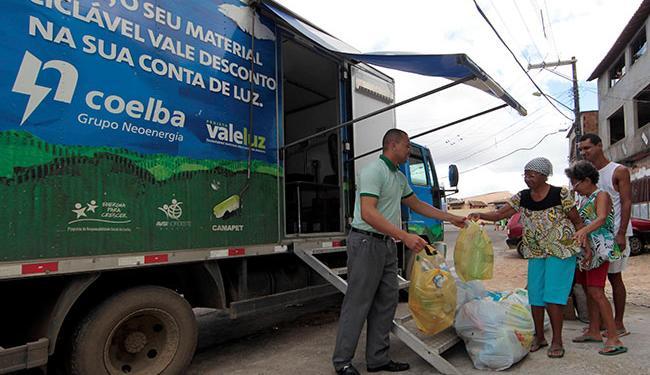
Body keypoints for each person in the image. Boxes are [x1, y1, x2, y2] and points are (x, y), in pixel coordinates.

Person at [332, 129, 466, 375]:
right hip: (365, 242)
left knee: (387, 301)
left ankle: (378, 359)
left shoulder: (398, 177)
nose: (408, 151)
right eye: (406, 146)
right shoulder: (374, 171)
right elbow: (368, 213)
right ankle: (342, 361)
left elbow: (418, 205)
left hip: (385, 244)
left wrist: (451, 217)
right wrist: (404, 236)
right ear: (392, 145)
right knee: (358, 303)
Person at [469, 157, 588, 359]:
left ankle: (557, 340)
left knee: (553, 296)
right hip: (535, 251)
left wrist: (587, 247)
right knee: (535, 296)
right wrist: (478, 215)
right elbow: (500, 215)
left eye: (531, 174)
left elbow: (577, 221)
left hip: (561, 249)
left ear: (544, 175)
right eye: (525, 174)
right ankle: (539, 337)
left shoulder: (560, 194)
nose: (527, 178)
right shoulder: (523, 197)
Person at [565, 161, 627, 356]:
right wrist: (586, 247)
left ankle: (613, 337)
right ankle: (594, 330)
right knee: (589, 290)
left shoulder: (602, 195)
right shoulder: (584, 199)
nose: (574, 188)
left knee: (596, 291)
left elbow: (600, 218)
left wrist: (583, 231)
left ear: (587, 180)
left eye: (576, 183)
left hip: (602, 249)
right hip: (589, 251)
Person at [578, 133, 632, 337]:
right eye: (581, 149)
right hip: (591, 237)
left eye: (587, 148)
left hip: (613, 234)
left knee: (615, 278)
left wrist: (621, 233)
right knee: (592, 283)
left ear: (600, 145)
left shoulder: (618, 171)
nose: (584, 152)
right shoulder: (584, 174)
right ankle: (596, 324)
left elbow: (626, 202)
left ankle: (618, 323)